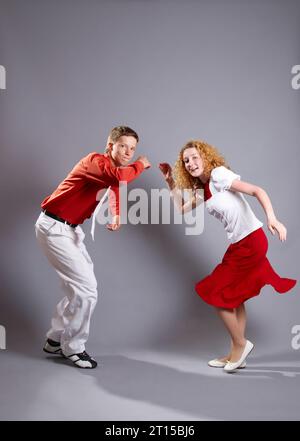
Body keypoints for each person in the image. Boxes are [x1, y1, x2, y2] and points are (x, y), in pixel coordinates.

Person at [159, 139, 297, 373]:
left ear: (205, 156)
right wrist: (171, 181)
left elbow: (257, 191)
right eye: (186, 161)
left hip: (251, 241)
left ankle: (242, 344)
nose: (191, 163)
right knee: (235, 297)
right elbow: (182, 209)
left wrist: (272, 219)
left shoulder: (219, 175)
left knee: (214, 291)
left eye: (195, 157)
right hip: (239, 244)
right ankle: (236, 353)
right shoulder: (203, 189)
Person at [35, 126, 151, 368]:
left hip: (70, 230)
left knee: (77, 287)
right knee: (87, 289)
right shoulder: (94, 161)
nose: (129, 152)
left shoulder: (109, 170)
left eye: (133, 149)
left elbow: (115, 186)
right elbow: (120, 178)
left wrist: (117, 215)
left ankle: (55, 340)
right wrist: (140, 164)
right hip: (54, 228)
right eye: (123, 146)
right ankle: (73, 347)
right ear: (110, 146)